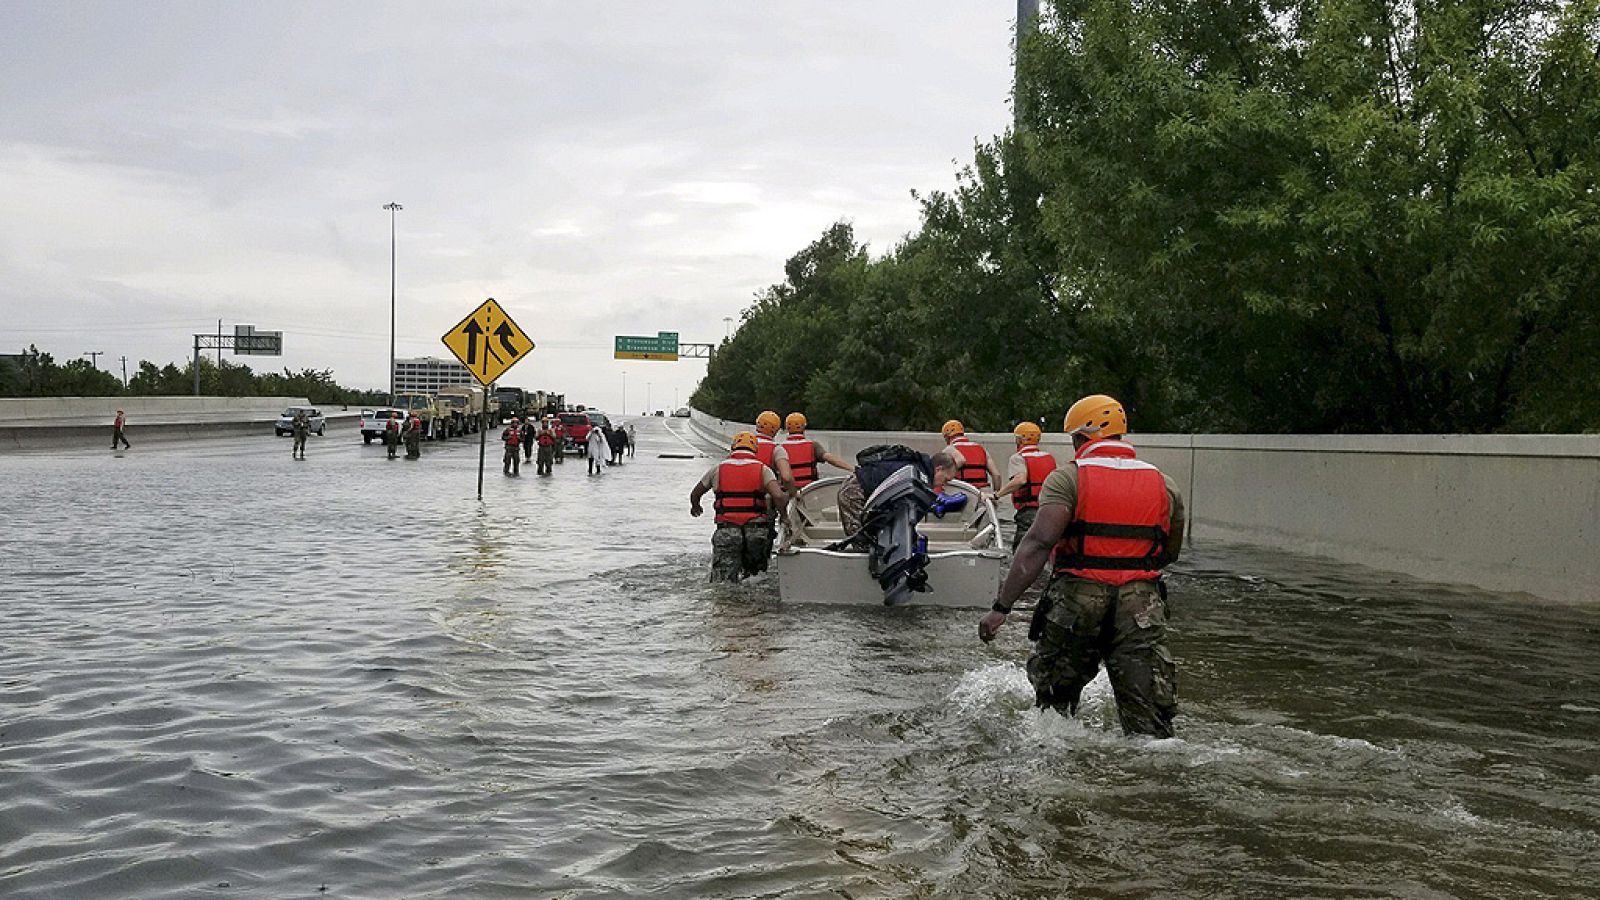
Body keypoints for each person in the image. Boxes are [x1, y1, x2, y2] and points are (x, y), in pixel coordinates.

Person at [978, 394, 1187, 738]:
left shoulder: (1068, 479)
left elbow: (1037, 545)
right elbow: (1169, 551)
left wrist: (1002, 607)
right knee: (1149, 724)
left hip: (1077, 601)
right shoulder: (1164, 484)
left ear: (1080, 438)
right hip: (1141, 605)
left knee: (1054, 713)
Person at [689, 431, 790, 582]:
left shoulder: (718, 469)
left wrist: (695, 506)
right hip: (756, 531)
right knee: (755, 580)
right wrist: (784, 515)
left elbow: (695, 493)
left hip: (727, 530)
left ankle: (727, 604)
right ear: (755, 449)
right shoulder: (763, 469)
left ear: (732, 447)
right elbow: (779, 496)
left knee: (723, 582)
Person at [836, 445, 962, 541]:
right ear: (938, 469)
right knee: (862, 541)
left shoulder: (918, 469)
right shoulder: (918, 476)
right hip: (855, 490)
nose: (944, 485)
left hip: (863, 487)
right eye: (946, 480)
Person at [992, 422, 1059, 554]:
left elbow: (1020, 479)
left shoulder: (1018, 458)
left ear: (1019, 439)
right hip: (1048, 509)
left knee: (1022, 551)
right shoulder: (1049, 458)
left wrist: (997, 495)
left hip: (1029, 510)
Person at [779, 412, 855, 492]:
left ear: (787, 428)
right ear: (804, 426)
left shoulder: (779, 448)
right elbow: (830, 458)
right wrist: (852, 468)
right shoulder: (813, 445)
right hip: (809, 490)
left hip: (787, 491)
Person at [941, 419, 1002, 490]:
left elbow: (943, 475)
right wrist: (995, 495)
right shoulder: (981, 448)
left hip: (963, 490)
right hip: (984, 491)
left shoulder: (949, 449)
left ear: (947, 438)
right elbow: (997, 475)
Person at [752, 410, 794, 493]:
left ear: (757, 426)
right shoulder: (777, 449)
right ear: (776, 430)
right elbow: (786, 477)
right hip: (764, 497)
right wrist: (794, 494)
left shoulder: (741, 445)